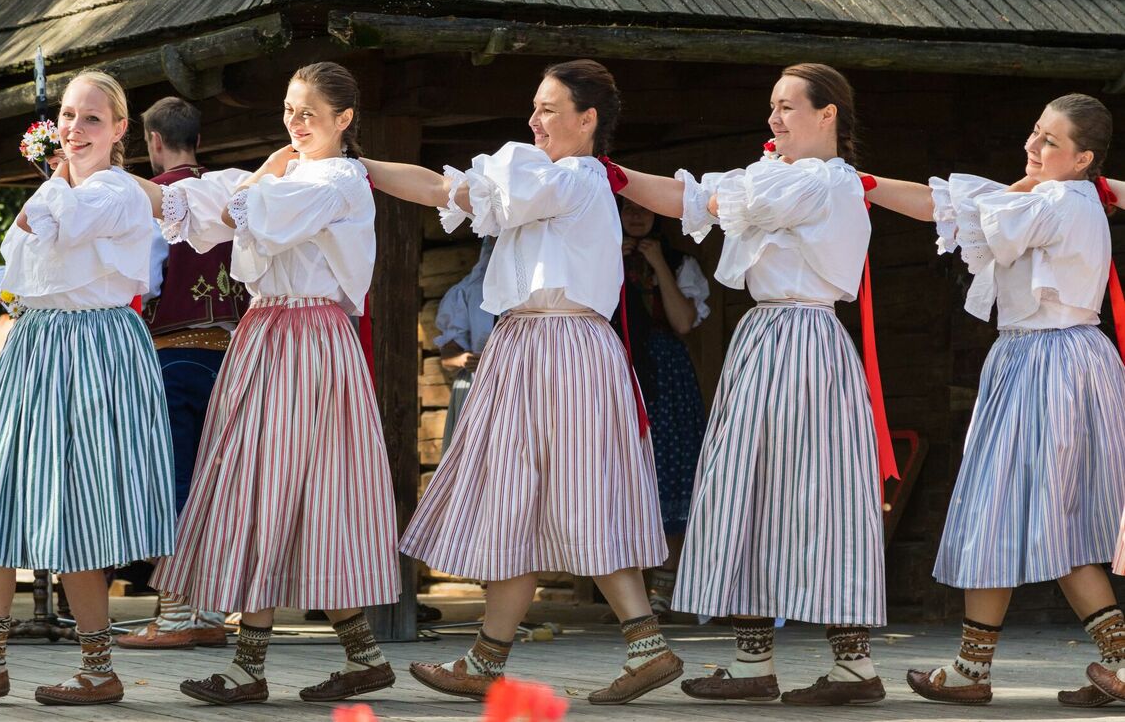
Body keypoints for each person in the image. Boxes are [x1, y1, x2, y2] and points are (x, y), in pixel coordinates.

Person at [364, 59, 683, 706]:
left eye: (549, 108)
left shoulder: (577, 176)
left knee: (577, 494)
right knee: (518, 500)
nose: (534, 121)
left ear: (587, 120)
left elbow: (501, 182)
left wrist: (494, 170)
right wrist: (355, 165)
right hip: (530, 346)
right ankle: (520, 655)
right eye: (532, 108)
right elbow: (441, 191)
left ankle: (630, 644)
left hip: (563, 346)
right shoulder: (537, 180)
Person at [618, 64, 890, 705]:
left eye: (787, 107)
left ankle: (853, 668)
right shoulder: (784, 178)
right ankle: (751, 661)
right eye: (771, 106)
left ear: (827, 115)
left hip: (806, 342)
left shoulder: (826, 181)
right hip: (766, 339)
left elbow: (717, 201)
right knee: (748, 487)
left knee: (817, 497)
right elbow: (696, 197)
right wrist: (616, 176)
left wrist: (614, 177)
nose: (774, 119)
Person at [141, 62, 400, 705]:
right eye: (288, 109)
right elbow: (226, 216)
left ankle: (249, 665)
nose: (294, 122)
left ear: (343, 120)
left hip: (306, 339)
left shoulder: (338, 177)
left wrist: (261, 174)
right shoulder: (297, 174)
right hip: (268, 334)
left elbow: (247, 207)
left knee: (276, 484)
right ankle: (363, 658)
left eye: (308, 112)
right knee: (276, 488)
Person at [866, 94, 1125, 707]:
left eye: (1050, 143)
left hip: (1046, 362)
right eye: (1034, 133)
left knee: (1004, 508)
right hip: (1056, 359)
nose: (1033, 148)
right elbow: (972, 207)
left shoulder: (1056, 199)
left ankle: (978, 669)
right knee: (1040, 518)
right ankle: (986, 666)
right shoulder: (1069, 195)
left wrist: (867, 186)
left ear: (1083, 158)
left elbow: (956, 208)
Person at [0, 71, 175, 706]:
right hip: (35, 346)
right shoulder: (58, 186)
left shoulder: (116, 190)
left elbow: (57, 226)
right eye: (68, 116)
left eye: (92, 119)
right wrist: (55, 177)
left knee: (76, 507)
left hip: (94, 349)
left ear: (121, 130)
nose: (74, 128)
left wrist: (57, 178)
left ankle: (98, 668)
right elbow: (17, 266)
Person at [116, 97, 248, 651]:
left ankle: (174, 617)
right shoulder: (229, 195)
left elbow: (140, 281)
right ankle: (212, 614)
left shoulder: (156, 202)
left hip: (173, 356)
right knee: (215, 486)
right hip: (235, 356)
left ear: (152, 140)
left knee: (170, 480)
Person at [613, 198, 708, 611]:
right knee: (618, 470)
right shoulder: (596, 252)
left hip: (666, 375)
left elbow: (683, 322)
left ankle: (664, 587)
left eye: (645, 211)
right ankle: (624, 588)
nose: (637, 217)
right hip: (616, 365)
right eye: (627, 210)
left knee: (669, 470)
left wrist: (658, 265)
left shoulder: (678, 261)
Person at [433, 237, 495, 451]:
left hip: (516, 381)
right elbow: (448, 357)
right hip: (476, 386)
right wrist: (467, 359)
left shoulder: (532, 294)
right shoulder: (466, 292)